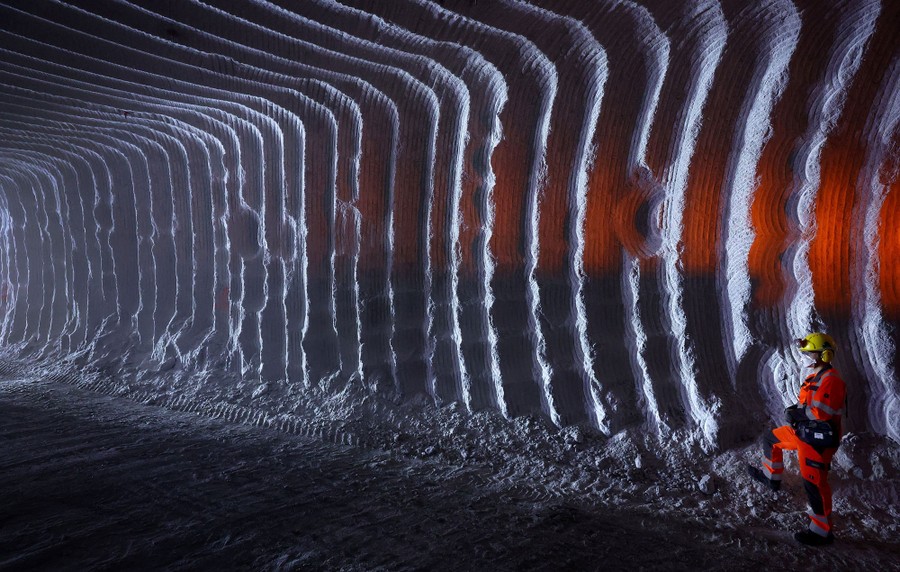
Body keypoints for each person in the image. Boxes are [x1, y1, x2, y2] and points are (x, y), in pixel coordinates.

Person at [747, 332, 847, 546]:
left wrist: (799, 414)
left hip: (817, 441)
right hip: (803, 432)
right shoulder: (815, 378)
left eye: (808, 353)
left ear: (824, 355)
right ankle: (770, 478)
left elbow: (822, 413)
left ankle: (822, 532)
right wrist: (796, 411)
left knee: (814, 484)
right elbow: (809, 407)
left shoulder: (831, 380)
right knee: (770, 439)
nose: (804, 356)